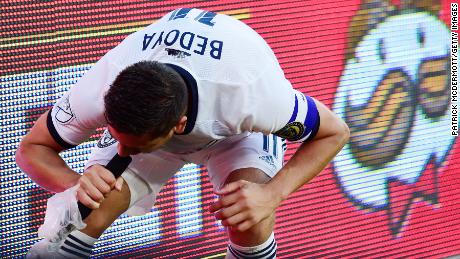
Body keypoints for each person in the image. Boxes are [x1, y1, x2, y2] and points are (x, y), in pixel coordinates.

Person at [16, 8, 349, 259]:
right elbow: (31, 148)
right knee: (79, 214)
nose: (124, 151)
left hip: (235, 133)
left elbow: (335, 132)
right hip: (170, 114)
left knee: (247, 212)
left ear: (178, 126)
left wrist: (272, 194)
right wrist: (75, 184)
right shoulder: (105, 83)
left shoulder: (250, 95)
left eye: (134, 146)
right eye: (118, 137)